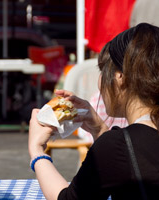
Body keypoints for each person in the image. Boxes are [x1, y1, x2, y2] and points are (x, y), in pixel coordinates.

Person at [28, 22, 159, 200]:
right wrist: (100, 131)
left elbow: (68, 198)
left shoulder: (116, 146)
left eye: (103, 71)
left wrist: (37, 151)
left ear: (120, 77)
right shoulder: (123, 145)